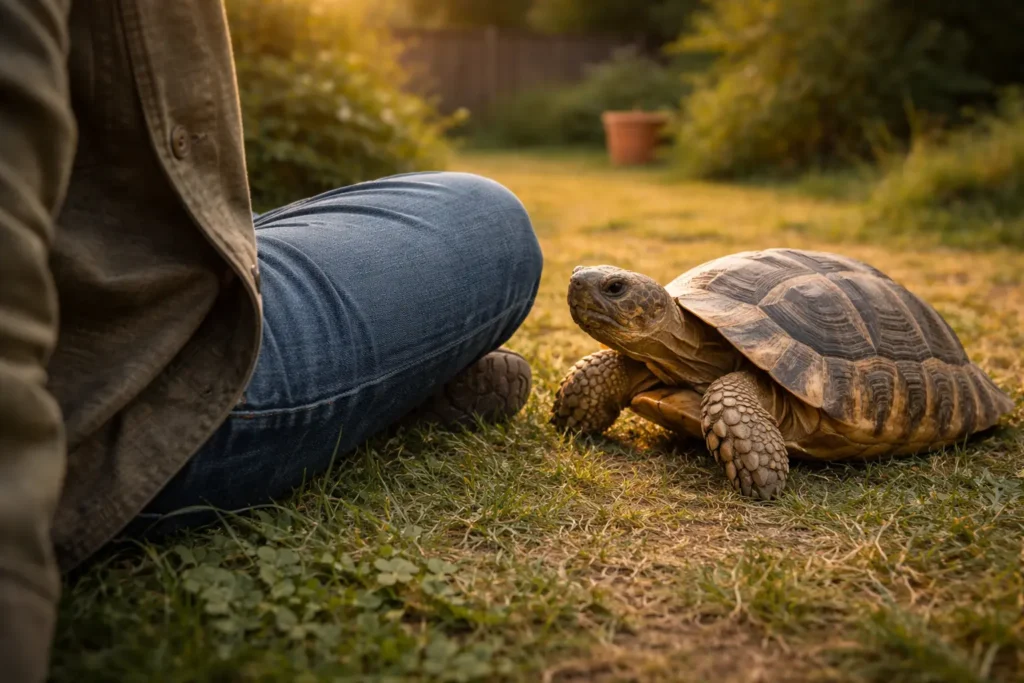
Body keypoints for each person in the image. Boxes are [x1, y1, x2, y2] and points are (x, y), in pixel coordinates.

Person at [0, 1, 543, 680]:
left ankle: (394, 379)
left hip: (114, 262)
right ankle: (396, 393)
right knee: (487, 220)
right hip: (130, 381)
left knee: (309, 222)